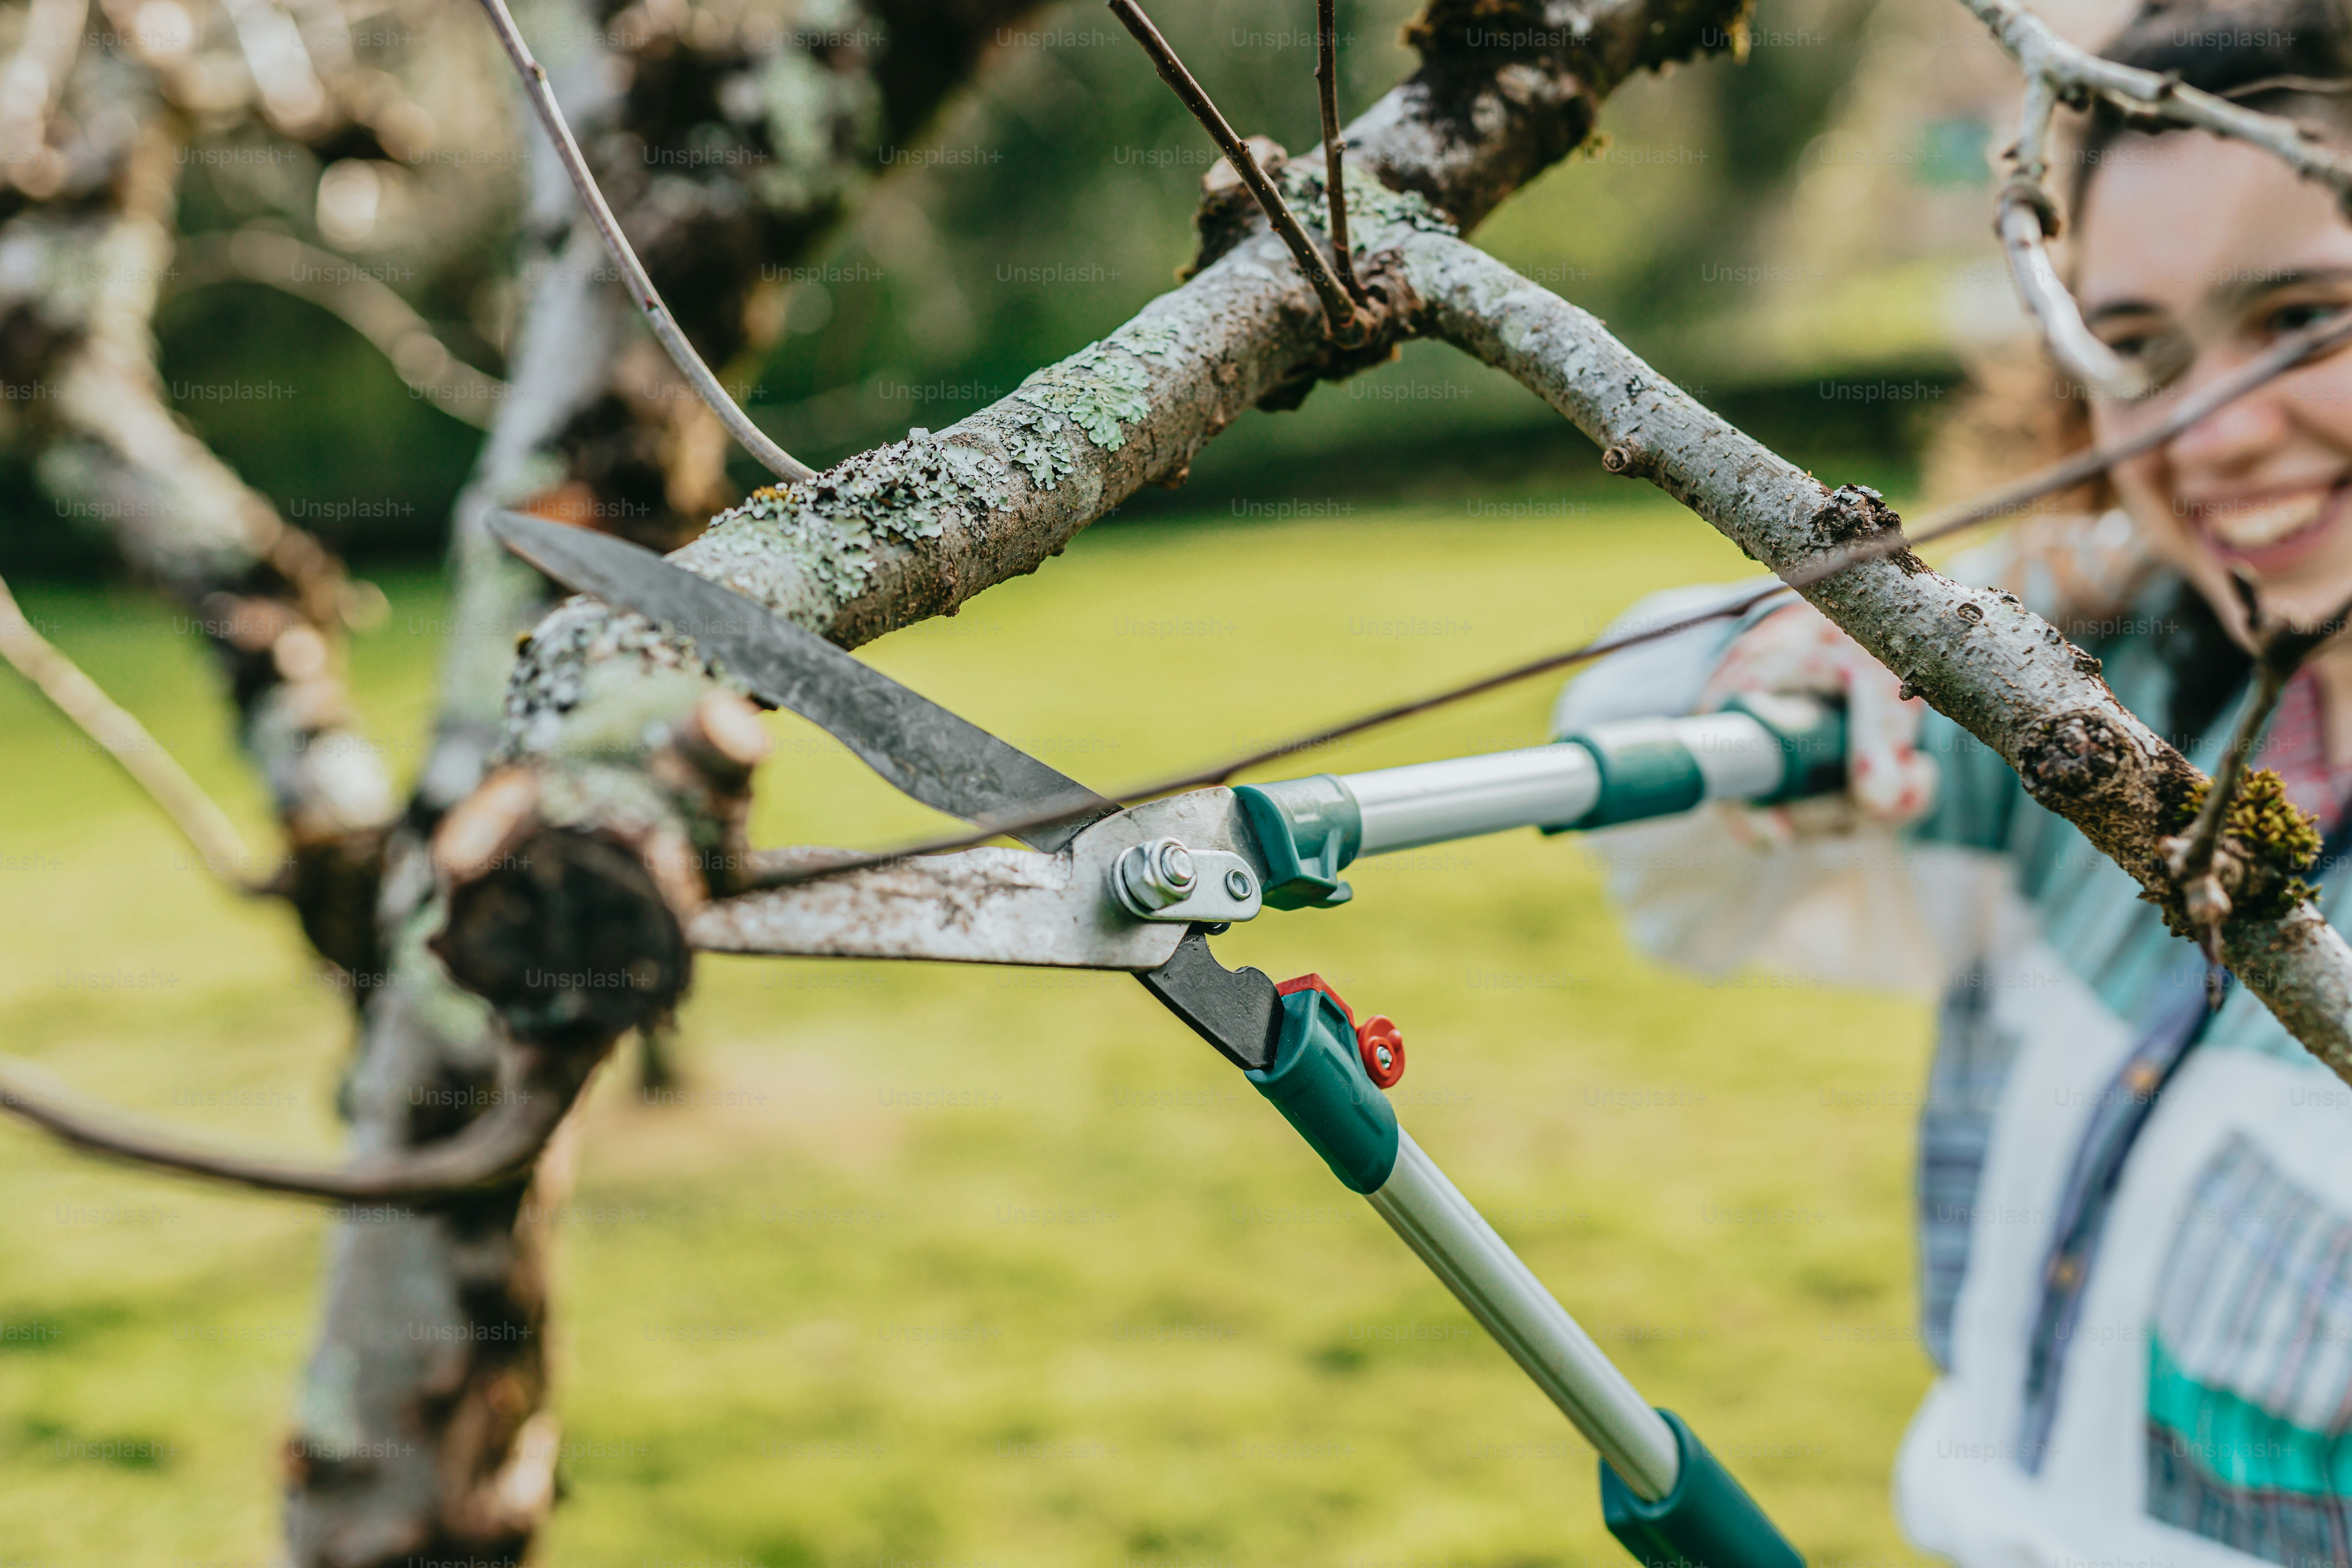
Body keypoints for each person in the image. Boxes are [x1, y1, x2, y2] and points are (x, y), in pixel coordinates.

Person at [1558, 2, 2352, 1562]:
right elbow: (1645, 779)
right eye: (2134, 351)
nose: (2213, 431)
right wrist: (1853, 636)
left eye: (2304, 321)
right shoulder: (2104, 721)